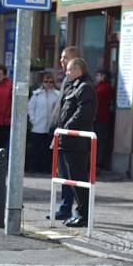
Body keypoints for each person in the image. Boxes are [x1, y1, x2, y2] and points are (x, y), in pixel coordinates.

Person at [56, 58, 97, 228]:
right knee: (72, 180)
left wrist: (67, 128)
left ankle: (83, 214)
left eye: (70, 69)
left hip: (76, 141)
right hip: (67, 140)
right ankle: (79, 212)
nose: (67, 72)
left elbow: (83, 113)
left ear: (79, 70)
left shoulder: (85, 87)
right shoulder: (74, 86)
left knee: (79, 179)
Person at [47, 46, 81, 220]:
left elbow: (74, 111)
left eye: (64, 58)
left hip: (69, 136)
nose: (61, 61)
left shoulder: (77, 82)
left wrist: (63, 129)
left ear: (74, 59)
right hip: (60, 133)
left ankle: (72, 208)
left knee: (70, 174)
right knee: (63, 173)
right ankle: (65, 207)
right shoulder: (67, 80)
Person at [27, 72, 60, 173]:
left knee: (48, 150)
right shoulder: (36, 94)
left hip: (51, 127)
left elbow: (59, 109)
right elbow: (30, 108)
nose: (48, 84)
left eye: (51, 82)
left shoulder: (57, 95)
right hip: (38, 126)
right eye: (46, 82)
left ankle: (46, 168)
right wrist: (33, 120)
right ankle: (33, 167)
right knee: (35, 149)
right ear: (42, 82)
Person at [94, 68, 114, 171]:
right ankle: (95, 162)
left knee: (101, 142)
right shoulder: (98, 87)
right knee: (96, 142)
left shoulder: (106, 87)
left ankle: (99, 164)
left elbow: (97, 96)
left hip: (102, 118)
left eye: (98, 75)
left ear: (103, 76)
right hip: (97, 118)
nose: (97, 77)